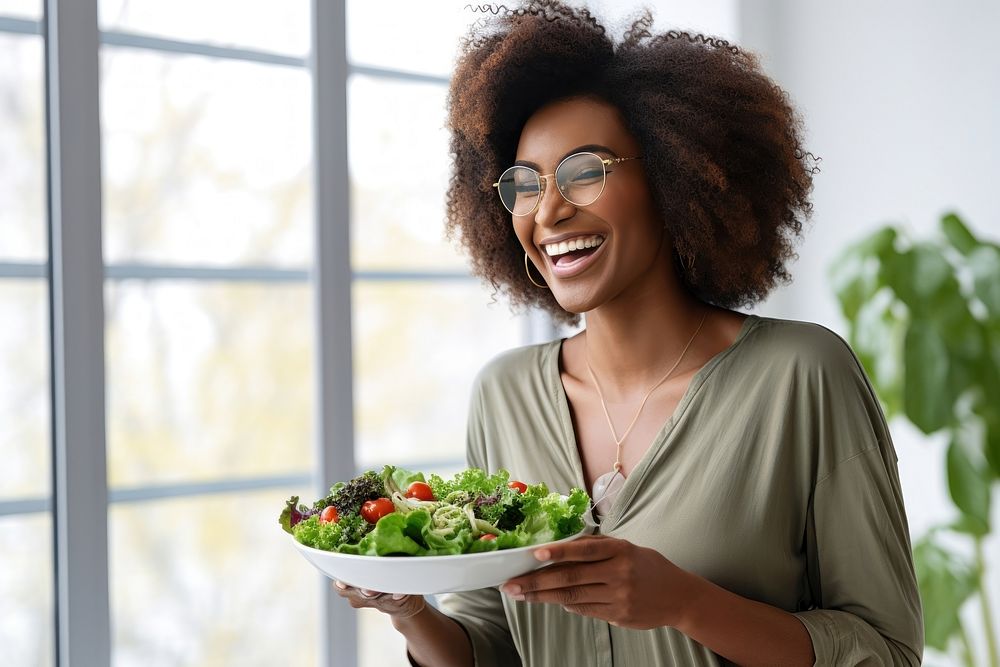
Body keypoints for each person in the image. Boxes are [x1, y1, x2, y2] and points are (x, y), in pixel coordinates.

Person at [335, 2, 924, 665]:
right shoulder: (504, 396)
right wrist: (411, 613)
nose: (550, 211)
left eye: (585, 171)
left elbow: (886, 649)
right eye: (524, 184)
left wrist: (686, 603)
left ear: (678, 174)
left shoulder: (801, 376)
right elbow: (493, 645)